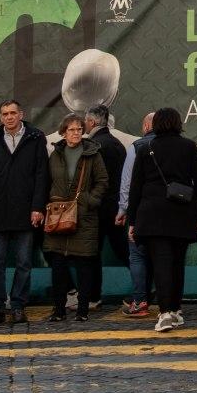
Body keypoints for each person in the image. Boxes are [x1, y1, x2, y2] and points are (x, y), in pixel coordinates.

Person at [125, 107, 197, 334]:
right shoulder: (189, 147)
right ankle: (175, 309)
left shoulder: (146, 149)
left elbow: (136, 188)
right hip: (182, 213)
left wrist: (132, 220)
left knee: (161, 263)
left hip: (152, 214)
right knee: (176, 263)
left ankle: (164, 314)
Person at [0, 98, 48, 325]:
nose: (9, 117)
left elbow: (42, 175)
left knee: (24, 262)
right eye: (4, 114)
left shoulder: (35, 138)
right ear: (0, 117)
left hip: (26, 211)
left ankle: (17, 305)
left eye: (12, 113)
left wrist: (37, 207)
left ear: (21, 114)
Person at [42, 115, 108, 323]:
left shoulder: (93, 154)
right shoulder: (55, 154)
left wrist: (90, 200)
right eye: (71, 129)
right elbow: (47, 181)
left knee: (84, 265)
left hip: (84, 216)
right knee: (58, 264)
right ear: (63, 132)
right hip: (58, 216)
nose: (76, 132)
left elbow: (103, 181)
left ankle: (82, 310)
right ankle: (59, 309)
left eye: (79, 129)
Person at [84, 102, 129, 309]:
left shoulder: (94, 145)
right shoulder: (117, 143)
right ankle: (146, 285)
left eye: (85, 121)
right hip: (116, 207)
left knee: (92, 253)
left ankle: (93, 296)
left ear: (92, 121)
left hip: (98, 208)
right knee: (123, 251)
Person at [116, 112, 156, 317]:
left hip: (140, 212)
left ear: (147, 125)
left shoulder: (137, 146)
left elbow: (127, 182)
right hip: (168, 214)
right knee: (164, 257)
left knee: (138, 256)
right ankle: (170, 303)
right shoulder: (181, 145)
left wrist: (123, 209)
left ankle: (140, 301)